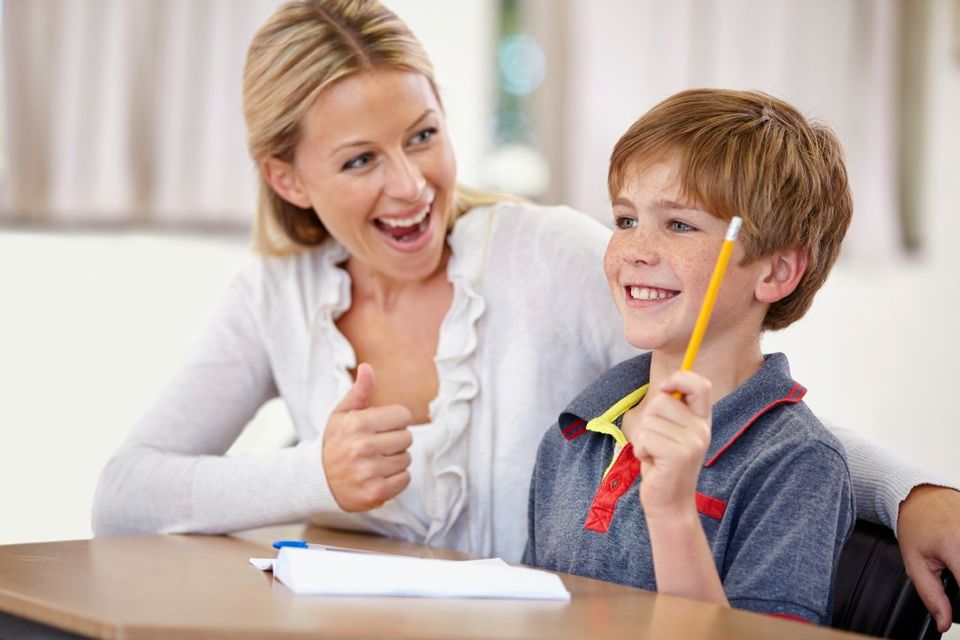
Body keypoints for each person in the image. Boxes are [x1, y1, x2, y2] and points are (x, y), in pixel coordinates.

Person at [90, 1, 960, 630]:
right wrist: (314, 477)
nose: (409, 185)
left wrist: (908, 493)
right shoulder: (275, 295)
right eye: (360, 160)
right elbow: (124, 494)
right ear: (289, 179)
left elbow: (729, 404)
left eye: (423, 135)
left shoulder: (540, 258)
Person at [523, 89, 853, 623]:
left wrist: (673, 511)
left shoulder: (799, 464)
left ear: (775, 273)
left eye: (680, 225)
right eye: (626, 220)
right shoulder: (574, 435)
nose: (635, 250)